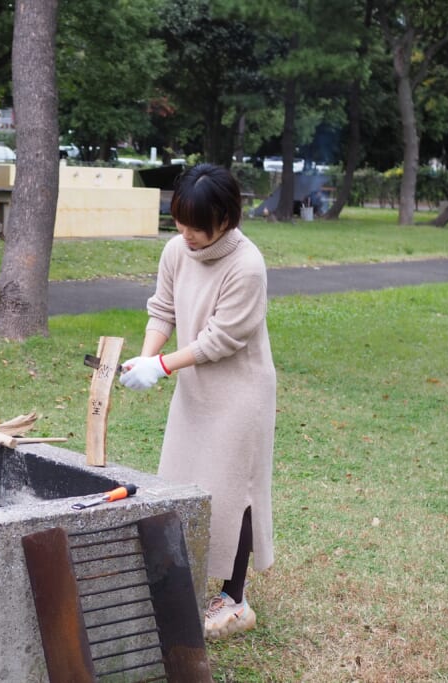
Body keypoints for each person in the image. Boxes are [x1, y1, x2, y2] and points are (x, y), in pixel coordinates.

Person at [119, 163, 276, 640]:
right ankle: (182, 580)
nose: (185, 234)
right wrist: (144, 359)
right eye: (179, 222)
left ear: (225, 219)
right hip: (196, 388)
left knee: (235, 489)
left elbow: (220, 340)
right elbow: (162, 308)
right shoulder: (176, 249)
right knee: (182, 478)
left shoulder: (247, 265)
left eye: (195, 226)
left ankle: (235, 599)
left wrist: (163, 366)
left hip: (240, 390)